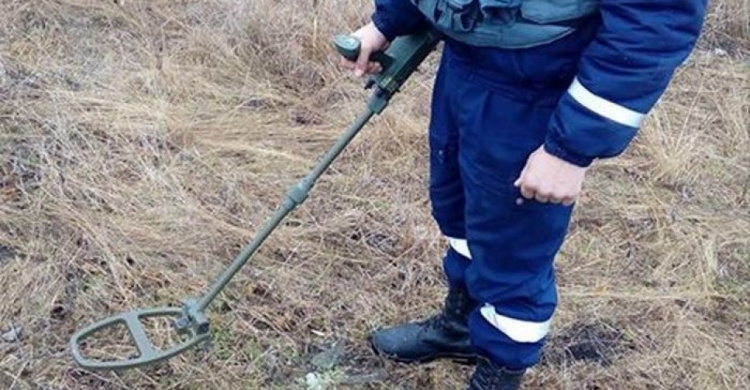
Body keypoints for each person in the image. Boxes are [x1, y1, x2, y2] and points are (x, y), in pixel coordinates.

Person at [339, 1, 707, 389]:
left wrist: (570, 148)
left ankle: (501, 371)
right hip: (464, 69)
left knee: (513, 252)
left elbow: (656, 21)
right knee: (457, 214)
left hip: (534, 94)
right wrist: (387, 22)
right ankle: (461, 326)